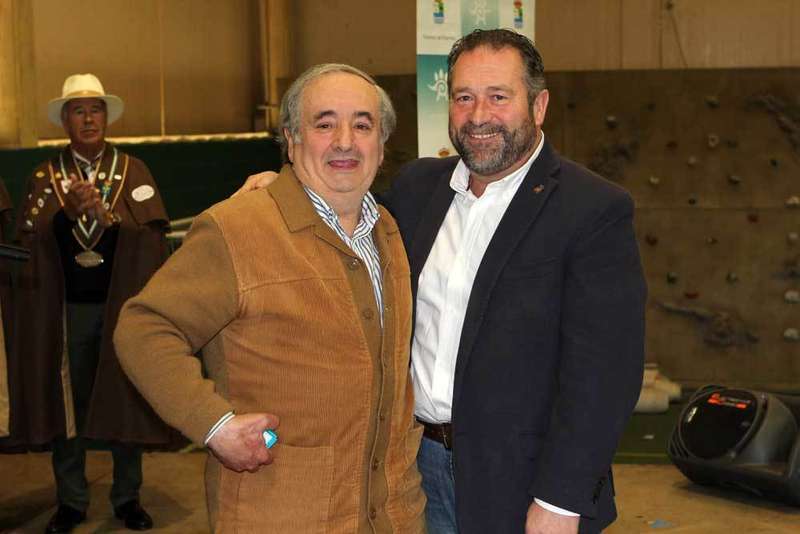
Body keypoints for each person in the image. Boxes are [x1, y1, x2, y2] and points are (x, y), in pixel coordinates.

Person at [240, 29, 646, 534]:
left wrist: (561, 500)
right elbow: (342, 216)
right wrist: (286, 188)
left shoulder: (592, 209)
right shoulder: (418, 188)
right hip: (415, 469)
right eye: (463, 98)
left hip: (523, 484)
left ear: (539, 106)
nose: (478, 116)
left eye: (498, 97)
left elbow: (606, 374)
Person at [114, 63, 425, 533]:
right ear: (291, 139)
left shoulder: (388, 231)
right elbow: (145, 328)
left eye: (363, 125)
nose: (345, 141)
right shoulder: (237, 229)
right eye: (324, 124)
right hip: (281, 514)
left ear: (381, 146)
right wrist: (214, 424)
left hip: (393, 516)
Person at [6, 73, 173, 533]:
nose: (88, 119)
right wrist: (66, 217)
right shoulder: (45, 177)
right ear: (64, 121)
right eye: (78, 111)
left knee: (125, 394)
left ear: (106, 117)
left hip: (121, 306)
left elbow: (152, 239)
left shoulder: (133, 170)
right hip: (67, 312)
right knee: (68, 404)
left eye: (95, 110)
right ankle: (72, 500)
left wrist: (110, 219)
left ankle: (127, 497)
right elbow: (31, 247)